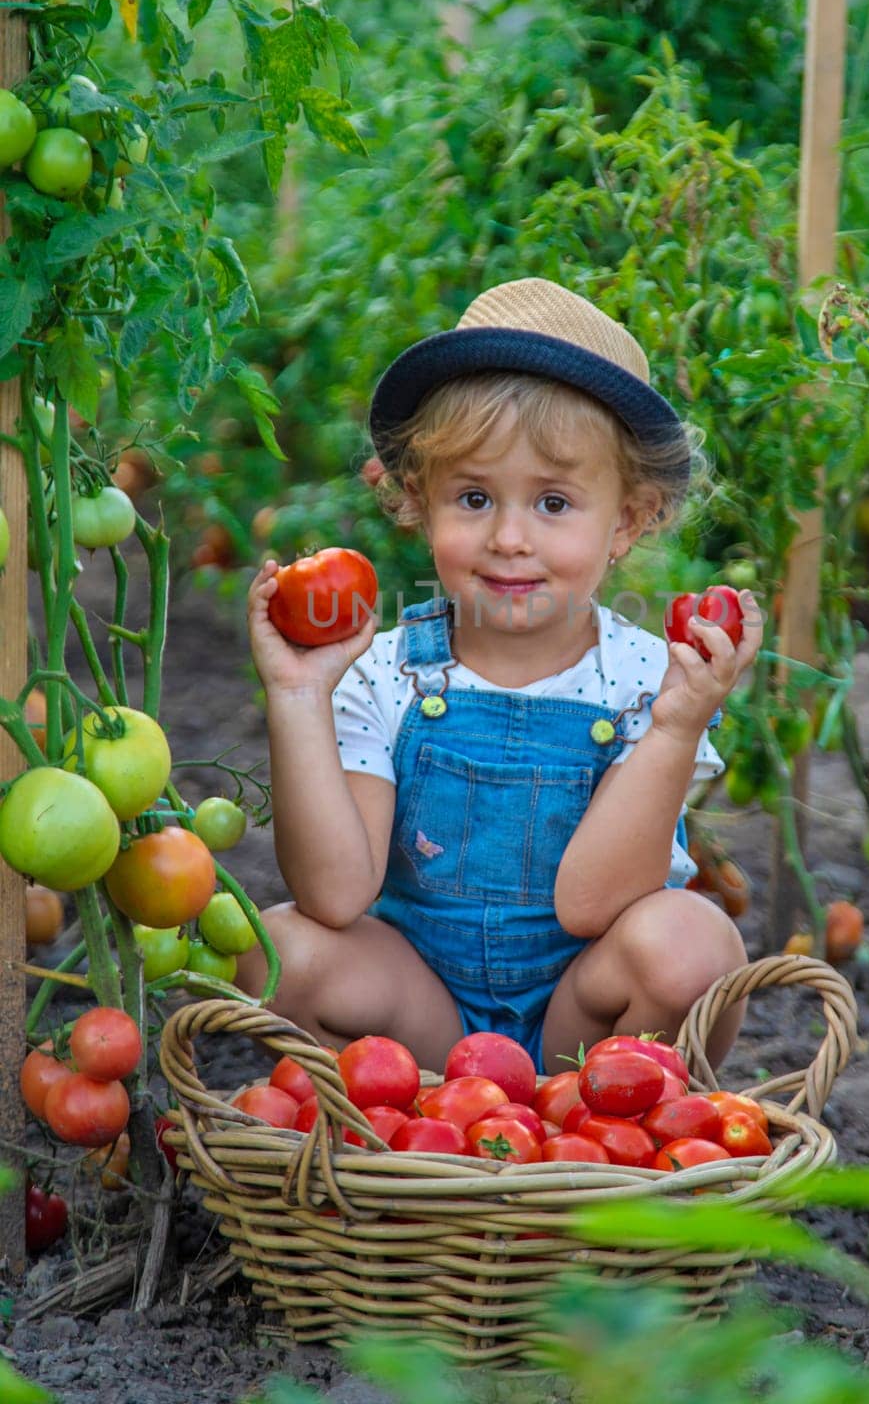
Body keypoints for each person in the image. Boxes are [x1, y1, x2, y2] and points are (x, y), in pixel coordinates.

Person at [240, 277, 761, 1076]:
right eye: (474, 497)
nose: (509, 538)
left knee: (693, 943)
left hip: (580, 1028)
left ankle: (598, 1129)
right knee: (276, 951)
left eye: (554, 503)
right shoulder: (386, 673)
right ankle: (404, 1124)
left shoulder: (650, 680)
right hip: (423, 1018)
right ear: (418, 500)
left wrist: (674, 727)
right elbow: (335, 897)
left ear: (626, 519)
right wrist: (299, 695)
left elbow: (591, 905)